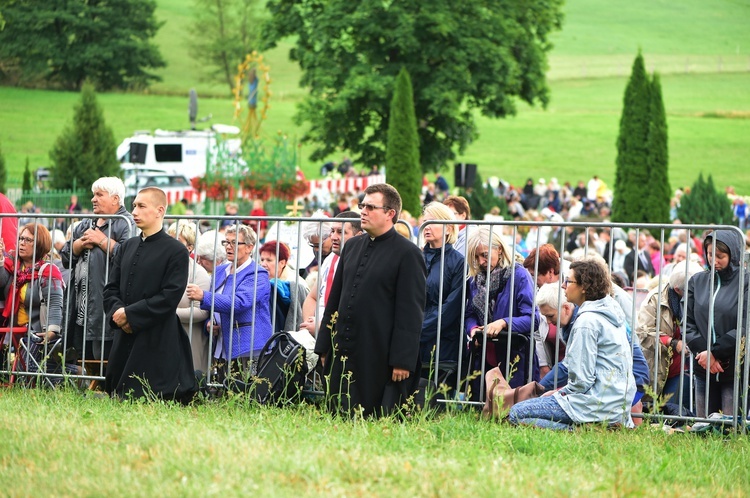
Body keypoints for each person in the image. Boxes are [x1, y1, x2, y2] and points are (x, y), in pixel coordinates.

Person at [315, 183, 427, 417]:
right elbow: (335, 299)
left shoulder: (408, 254)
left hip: (379, 350)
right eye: (362, 205)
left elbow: (411, 311)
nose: (363, 211)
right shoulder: (352, 246)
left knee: (373, 416)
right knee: (338, 411)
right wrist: (324, 344)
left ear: (390, 214)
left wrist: (403, 359)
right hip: (345, 345)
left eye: (370, 207)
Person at [509, 258, 637, 430]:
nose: (563, 285)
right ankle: (595, 426)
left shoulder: (587, 322)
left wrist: (559, 394)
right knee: (539, 406)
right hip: (616, 405)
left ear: (584, 287)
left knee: (516, 413)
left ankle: (582, 429)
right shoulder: (611, 312)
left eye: (568, 281)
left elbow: (581, 381)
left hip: (593, 404)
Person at [103, 188, 196, 402]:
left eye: (141, 206)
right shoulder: (127, 247)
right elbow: (111, 288)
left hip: (157, 337)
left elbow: (170, 296)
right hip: (124, 335)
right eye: (134, 205)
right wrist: (119, 313)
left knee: (150, 395)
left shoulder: (176, 251)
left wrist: (131, 315)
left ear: (159, 210)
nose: (134, 211)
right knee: (118, 393)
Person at [60, 177, 135, 361]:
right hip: (81, 306)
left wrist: (102, 241)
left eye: (99, 195)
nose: (93, 199)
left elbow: (130, 258)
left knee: (104, 358)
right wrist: (78, 245)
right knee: (82, 357)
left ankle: (104, 389)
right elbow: (65, 257)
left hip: (106, 307)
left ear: (115, 199)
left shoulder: (125, 223)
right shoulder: (86, 223)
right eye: (94, 194)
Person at [187, 224, 272, 375]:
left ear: (249, 247)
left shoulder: (258, 274)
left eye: (234, 242)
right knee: (222, 393)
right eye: (226, 242)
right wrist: (209, 323)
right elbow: (212, 308)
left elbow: (239, 302)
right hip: (221, 346)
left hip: (248, 347)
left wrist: (203, 296)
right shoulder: (220, 271)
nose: (228, 247)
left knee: (246, 393)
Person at [465, 226, 541, 389]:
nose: (480, 262)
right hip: (483, 359)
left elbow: (533, 319)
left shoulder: (519, 275)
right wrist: (472, 329)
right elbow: (469, 314)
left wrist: (503, 323)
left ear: (499, 249)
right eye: (476, 257)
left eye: (485, 255)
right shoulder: (474, 279)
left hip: (515, 358)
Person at [685, 229, 748, 418]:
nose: (714, 260)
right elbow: (687, 322)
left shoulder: (745, 282)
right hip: (703, 366)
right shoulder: (697, 281)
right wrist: (705, 354)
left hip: (732, 369)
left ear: (733, 254)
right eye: (711, 254)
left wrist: (716, 352)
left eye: (720, 256)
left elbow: (745, 324)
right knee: (703, 427)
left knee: (730, 429)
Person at [0, 224, 73, 377]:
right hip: (15, 331)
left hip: (37, 331)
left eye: (28, 240)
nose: (22, 242)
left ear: (40, 244)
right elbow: (1, 284)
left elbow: (54, 303)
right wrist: (0, 261)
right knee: (19, 373)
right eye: (20, 238)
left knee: (24, 374)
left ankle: (74, 373)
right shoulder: (14, 266)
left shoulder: (48, 271)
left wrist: (52, 331)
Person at [636, 260, 703, 406]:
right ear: (678, 290)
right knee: (657, 411)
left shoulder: (700, 297)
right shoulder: (655, 299)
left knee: (677, 410)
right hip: (659, 365)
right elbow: (642, 332)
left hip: (686, 368)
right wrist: (672, 342)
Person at [419, 202, 465, 382]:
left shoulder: (458, 262)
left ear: (448, 228)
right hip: (413, 335)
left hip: (443, 341)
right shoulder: (416, 257)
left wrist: (420, 330)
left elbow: (451, 307)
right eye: (424, 221)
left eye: (432, 221)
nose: (426, 226)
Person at [299, 211, 362, 335]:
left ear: (358, 236)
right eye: (332, 231)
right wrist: (308, 325)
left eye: (341, 232)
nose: (333, 237)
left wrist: (322, 326)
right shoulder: (330, 259)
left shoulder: (362, 265)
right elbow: (312, 297)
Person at [169, 221, 212, 374]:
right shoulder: (160, 267)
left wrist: (167, 313)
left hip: (189, 339)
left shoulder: (198, 273)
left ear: (189, 247)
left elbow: (202, 311)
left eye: (177, 241)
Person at [259, 240, 308, 332]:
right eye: (262, 260)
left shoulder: (297, 283)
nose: (263, 264)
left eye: (269, 260)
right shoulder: (259, 281)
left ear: (282, 263)